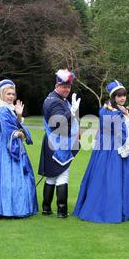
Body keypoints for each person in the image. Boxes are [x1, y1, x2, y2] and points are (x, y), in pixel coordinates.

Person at [73, 80, 129, 223]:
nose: (122, 98)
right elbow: (114, 129)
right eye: (119, 96)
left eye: (124, 95)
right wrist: (122, 115)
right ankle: (107, 209)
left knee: (123, 176)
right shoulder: (107, 110)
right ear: (113, 97)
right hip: (109, 149)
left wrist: (123, 113)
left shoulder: (120, 110)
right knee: (108, 177)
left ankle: (125, 209)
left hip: (118, 145)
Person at [0, 79, 38, 218]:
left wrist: (19, 115)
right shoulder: (1, 109)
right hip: (3, 145)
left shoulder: (9, 108)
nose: (11, 96)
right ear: (2, 94)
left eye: (13, 94)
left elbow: (16, 124)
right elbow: (8, 129)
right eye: (8, 94)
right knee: (4, 176)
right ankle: (4, 208)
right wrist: (19, 133)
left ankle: (15, 207)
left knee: (16, 176)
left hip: (13, 142)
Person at [38, 69, 80, 218]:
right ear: (57, 85)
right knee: (63, 174)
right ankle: (62, 211)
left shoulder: (55, 98)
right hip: (57, 143)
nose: (67, 89)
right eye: (64, 86)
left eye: (69, 86)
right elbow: (58, 123)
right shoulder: (55, 101)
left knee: (52, 176)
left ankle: (46, 208)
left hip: (53, 141)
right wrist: (72, 112)